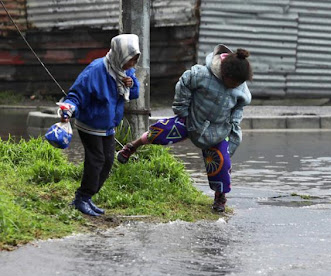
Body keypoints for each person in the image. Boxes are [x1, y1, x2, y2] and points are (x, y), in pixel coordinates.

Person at [117, 44, 253, 213]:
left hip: (217, 131)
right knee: (159, 132)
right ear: (224, 74)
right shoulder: (202, 74)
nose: (235, 86)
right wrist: (182, 109)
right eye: (233, 83)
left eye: (239, 84)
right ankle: (131, 147)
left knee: (221, 164)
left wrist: (234, 122)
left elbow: (239, 106)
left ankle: (220, 196)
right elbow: (184, 82)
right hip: (191, 120)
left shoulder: (241, 89)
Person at [61, 34, 141, 216]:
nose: (132, 65)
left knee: (108, 161)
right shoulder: (96, 70)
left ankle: (88, 197)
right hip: (90, 124)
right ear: (121, 54)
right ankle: (81, 198)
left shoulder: (124, 70)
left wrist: (131, 83)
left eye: (135, 61)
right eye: (130, 60)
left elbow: (134, 94)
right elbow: (75, 94)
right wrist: (68, 109)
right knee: (96, 160)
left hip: (107, 126)